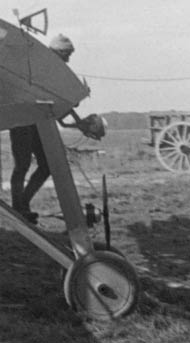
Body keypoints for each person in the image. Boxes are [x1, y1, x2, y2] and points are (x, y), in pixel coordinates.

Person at [10, 34, 107, 224]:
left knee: (46, 165)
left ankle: (23, 204)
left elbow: (58, 110)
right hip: (23, 119)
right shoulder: (38, 65)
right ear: (56, 52)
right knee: (21, 166)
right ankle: (18, 208)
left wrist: (77, 119)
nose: (68, 59)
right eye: (66, 54)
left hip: (39, 121)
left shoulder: (52, 70)